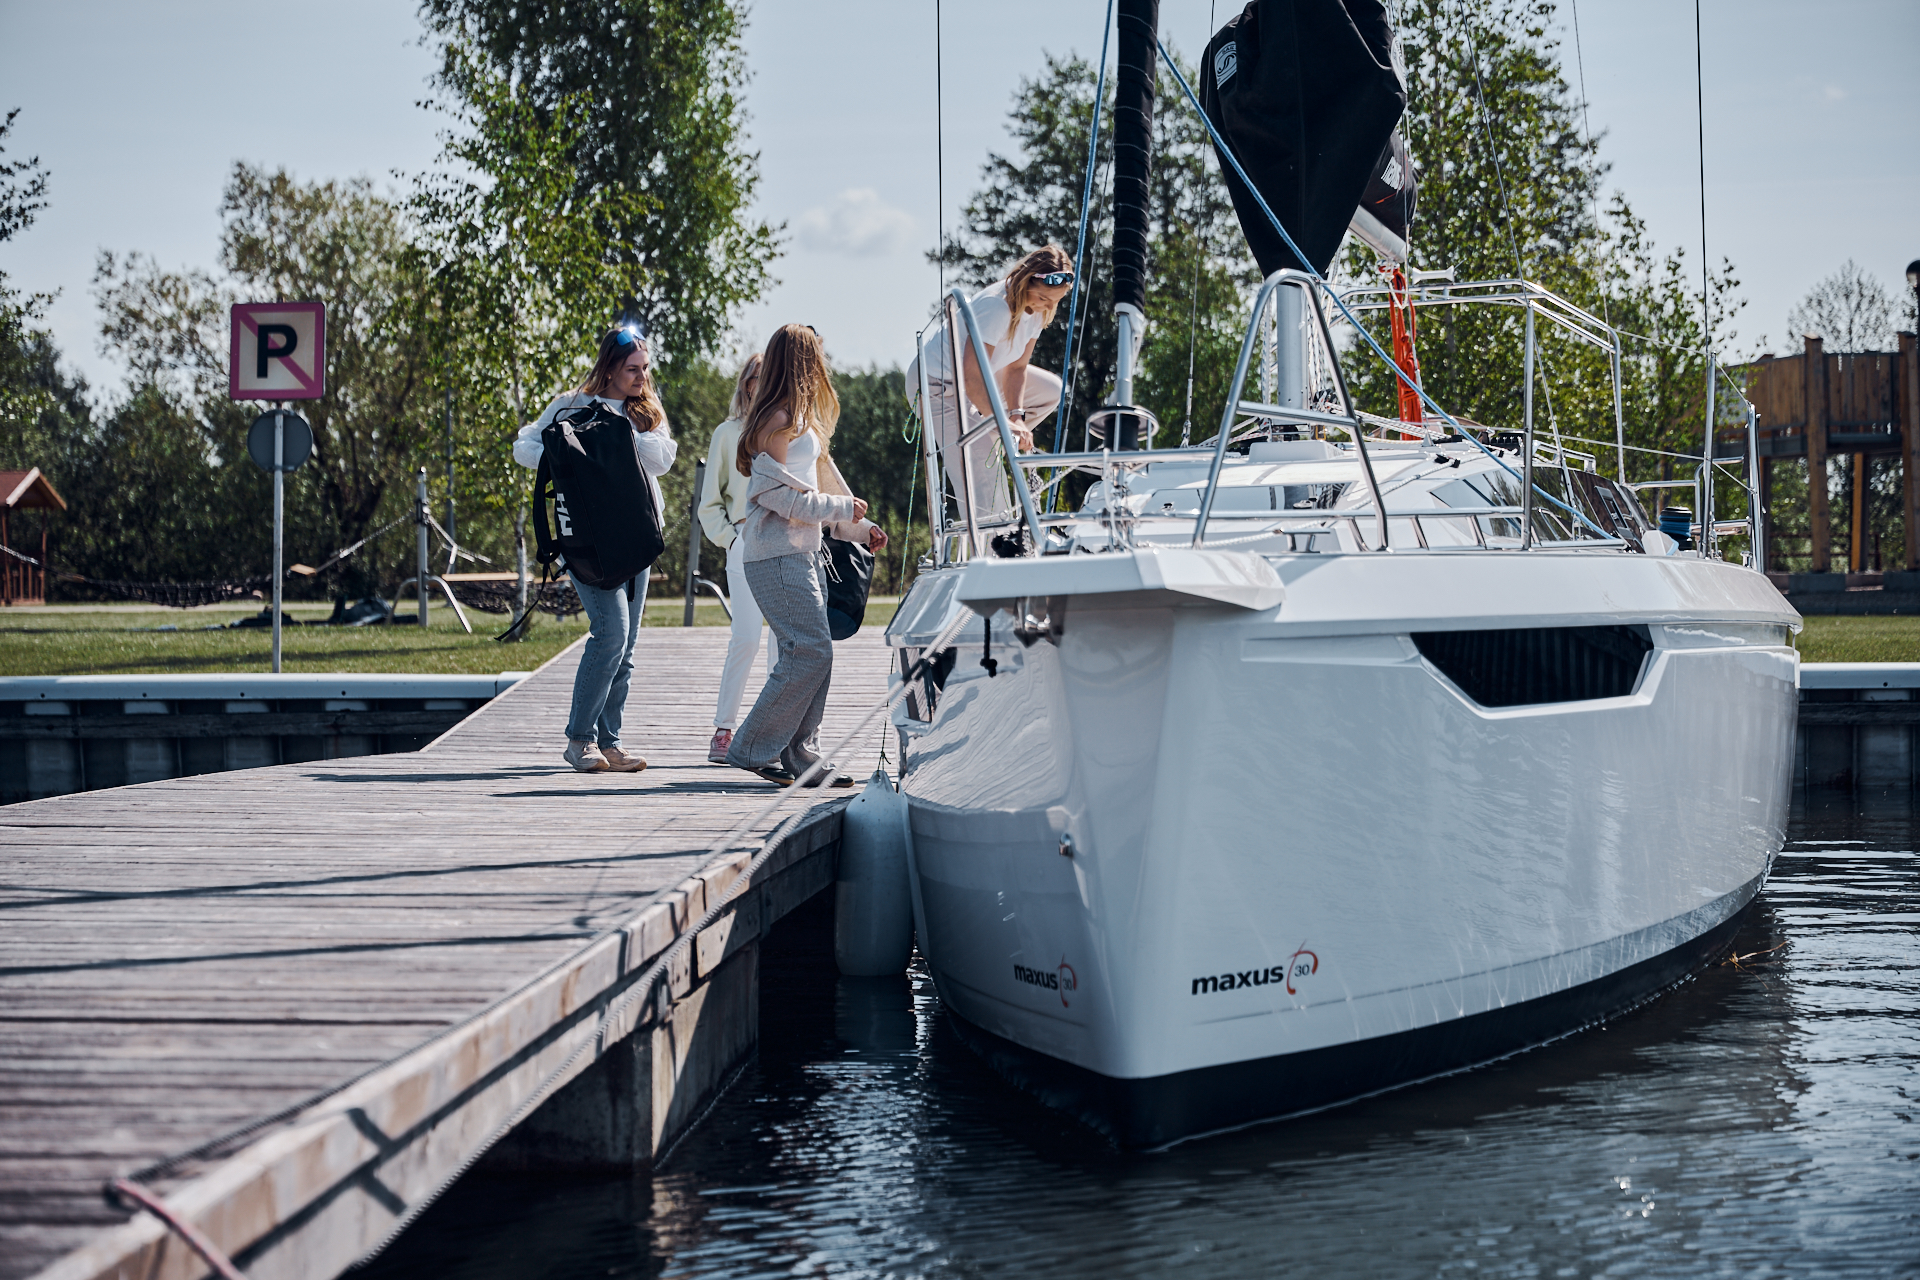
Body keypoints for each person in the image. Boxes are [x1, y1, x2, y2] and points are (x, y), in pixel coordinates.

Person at [726, 324, 888, 787]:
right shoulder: (775, 421)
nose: (822, 362)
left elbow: (822, 486)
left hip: (803, 553)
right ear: (800, 359)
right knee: (809, 651)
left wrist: (859, 528)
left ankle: (800, 756)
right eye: (815, 354)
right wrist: (841, 507)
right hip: (775, 556)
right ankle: (751, 749)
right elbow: (777, 498)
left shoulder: (800, 421)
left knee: (816, 653)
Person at [512, 324, 676, 774]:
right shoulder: (570, 405)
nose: (642, 377)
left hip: (638, 536)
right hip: (587, 539)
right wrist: (565, 456)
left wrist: (615, 438)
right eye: (633, 369)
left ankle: (610, 742)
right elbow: (525, 445)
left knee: (626, 649)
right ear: (609, 367)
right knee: (611, 634)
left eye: (645, 368)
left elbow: (662, 459)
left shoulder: (645, 410)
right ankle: (580, 740)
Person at [908, 244, 1076, 520]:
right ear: (1028, 280)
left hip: (977, 378)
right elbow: (972, 379)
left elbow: (1017, 368)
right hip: (937, 386)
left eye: (1055, 301)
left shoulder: (1038, 310)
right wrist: (1000, 421)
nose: (1049, 306)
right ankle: (990, 546)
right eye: (1044, 298)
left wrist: (1017, 417)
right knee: (987, 484)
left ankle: (993, 435)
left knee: (1051, 391)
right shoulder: (997, 307)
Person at [697, 354, 777, 764]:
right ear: (746, 383)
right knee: (746, 637)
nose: (763, 383)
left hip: (784, 541)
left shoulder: (786, 429)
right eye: (757, 377)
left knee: (783, 641)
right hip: (745, 540)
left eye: (772, 375)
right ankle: (723, 730)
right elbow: (709, 503)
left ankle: (775, 732)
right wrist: (731, 540)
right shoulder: (727, 434)